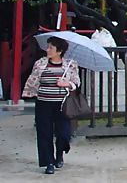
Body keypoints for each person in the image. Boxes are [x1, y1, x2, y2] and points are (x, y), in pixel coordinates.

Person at [22, 36, 80, 174]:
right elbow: (33, 80)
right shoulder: (40, 63)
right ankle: (48, 162)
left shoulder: (70, 65)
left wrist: (67, 83)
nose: (47, 50)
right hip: (43, 103)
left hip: (62, 104)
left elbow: (76, 83)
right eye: (47, 47)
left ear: (59, 51)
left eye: (51, 48)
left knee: (64, 133)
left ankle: (60, 153)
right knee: (44, 133)